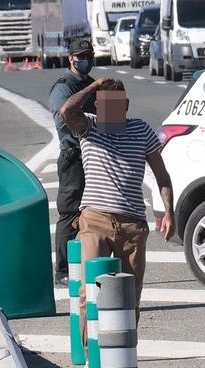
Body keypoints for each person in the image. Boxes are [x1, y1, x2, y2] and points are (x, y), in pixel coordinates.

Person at [60, 76, 175, 303]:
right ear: (97, 106)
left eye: (117, 105)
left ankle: (127, 339)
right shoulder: (89, 126)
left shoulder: (140, 129)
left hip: (132, 224)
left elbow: (162, 176)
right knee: (90, 292)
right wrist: (94, 86)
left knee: (129, 296)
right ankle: (88, 340)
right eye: (106, 105)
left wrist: (169, 211)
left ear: (126, 105)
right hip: (95, 219)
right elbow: (66, 110)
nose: (112, 111)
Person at [46, 41, 96, 284]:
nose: (86, 59)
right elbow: (65, 120)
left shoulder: (91, 84)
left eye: (89, 55)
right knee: (69, 212)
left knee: (96, 211)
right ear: (71, 59)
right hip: (74, 155)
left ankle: (92, 263)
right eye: (82, 56)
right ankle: (63, 271)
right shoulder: (63, 88)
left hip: (95, 155)